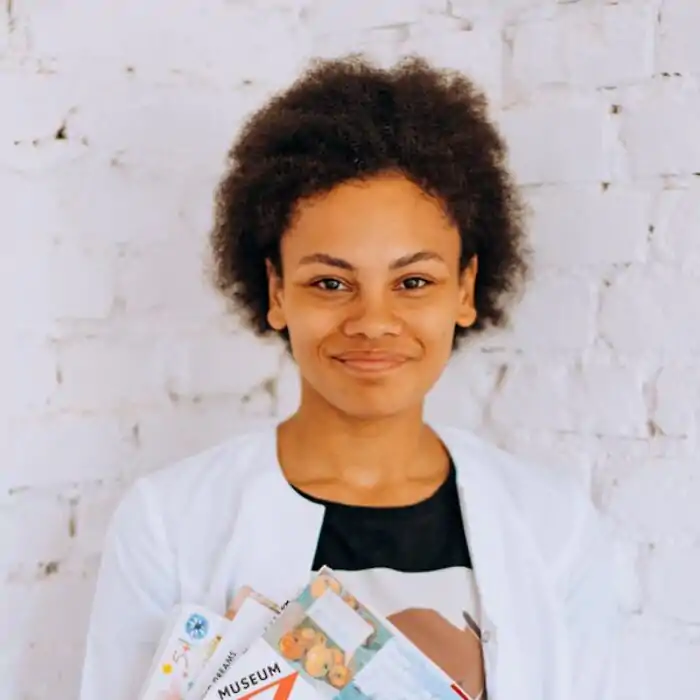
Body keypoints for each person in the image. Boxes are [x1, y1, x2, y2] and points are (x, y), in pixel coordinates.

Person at [80, 56, 618, 700]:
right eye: (330, 283)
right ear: (277, 291)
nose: (373, 321)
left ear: (466, 289)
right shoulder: (169, 523)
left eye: (413, 281)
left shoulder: (553, 525)